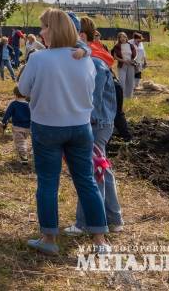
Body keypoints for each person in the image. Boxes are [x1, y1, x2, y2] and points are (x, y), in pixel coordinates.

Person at [16, 9, 109, 256]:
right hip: (80, 127)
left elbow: (23, 89)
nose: (40, 33)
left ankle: (49, 238)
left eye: (44, 27)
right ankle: (100, 240)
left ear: (53, 30)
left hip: (47, 126)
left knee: (47, 182)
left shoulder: (38, 59)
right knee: (86, 181)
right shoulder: (85, 59)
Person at [66, 17, 123, 236]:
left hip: (95, 123)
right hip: (99, 122)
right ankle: (114, 218)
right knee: (102, 170)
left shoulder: (95, 64)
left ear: (81, 37)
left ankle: (87, 222)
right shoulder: (95, 59)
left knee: (92, 172)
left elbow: (93, 100)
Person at [0, 88, 31, 164]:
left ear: (15, 94)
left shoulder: (14, 104)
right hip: (29, 127)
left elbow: (7, 114)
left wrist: (3, 122)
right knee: (26, 141)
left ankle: (24, 158)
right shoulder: (29, 104)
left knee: (20, 143)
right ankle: (31, 155)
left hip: (17, 127)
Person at [112, 32, 137, 100]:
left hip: (130, 64)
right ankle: (122, 96)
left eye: (124, 37)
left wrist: (132, 60)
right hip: (122, 65)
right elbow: (115, 56)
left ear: (126, 37)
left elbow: (135, 54)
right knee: (122, 81)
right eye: (120, 37)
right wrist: (123, 61)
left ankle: (129, 96)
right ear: (119, 39)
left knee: (130, 80)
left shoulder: (131, 45)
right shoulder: (117, 46)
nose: (122, 38)